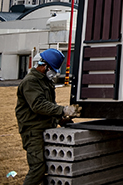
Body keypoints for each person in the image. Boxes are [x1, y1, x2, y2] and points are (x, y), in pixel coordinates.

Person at [15, 48, 81, 185]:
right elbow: (38, 105)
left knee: (50, 166)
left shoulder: (45, 81)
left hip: (45, 128)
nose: (53, 74)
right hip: (33, 132)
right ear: (43, 65)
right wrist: (64, 110)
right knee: (37, 169)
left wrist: (60, 119)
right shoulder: (31, 81)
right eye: (52, 70)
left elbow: (50, 106)